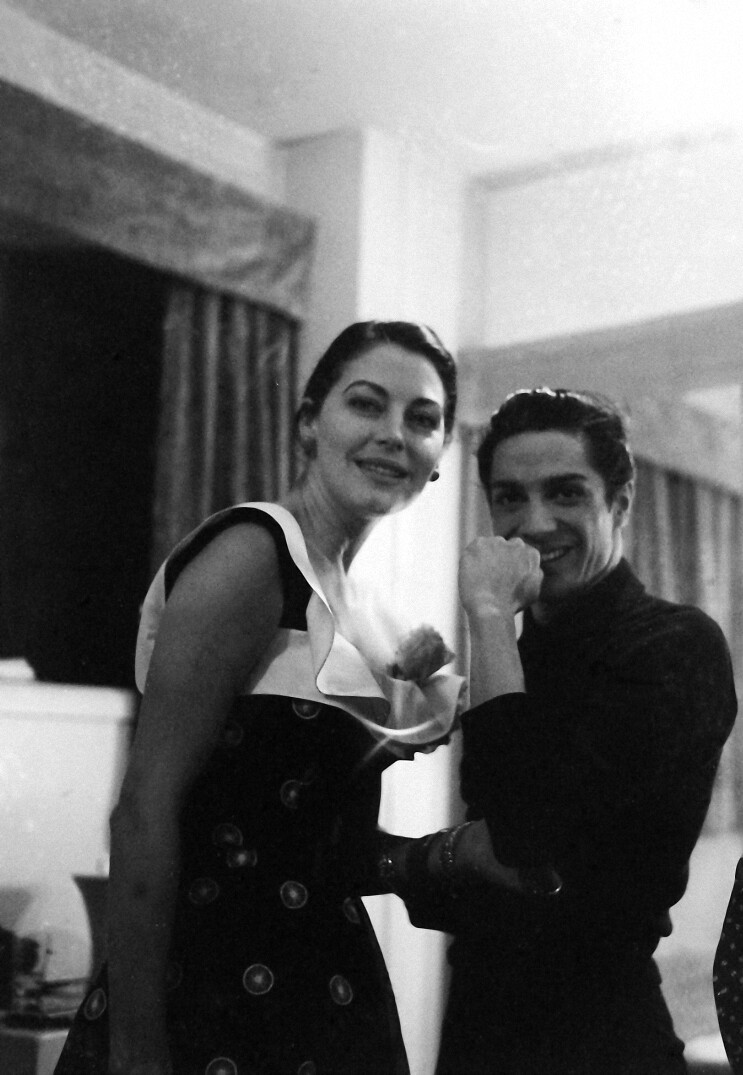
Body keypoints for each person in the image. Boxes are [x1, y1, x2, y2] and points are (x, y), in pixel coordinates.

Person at [54, 320, 469, 1075]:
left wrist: (435, 859)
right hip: (205, 985)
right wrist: (136, 1049)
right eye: (366, 404)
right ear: (309, 422)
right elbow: (144, 807)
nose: (393, 434)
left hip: (328, 990)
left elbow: (325, 848)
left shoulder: (370, 614)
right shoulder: (253, 553)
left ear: (440, 454)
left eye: (422, 419)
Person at [402, 387, 737, 1073]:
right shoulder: (514, 661)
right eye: (509, 497)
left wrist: (488, 615)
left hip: (598, 1041)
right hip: (476, 1035)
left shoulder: (676, 644)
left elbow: (522, 838)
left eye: (565, 493)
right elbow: (476, 883)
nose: (534, 522)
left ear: (620, 502)